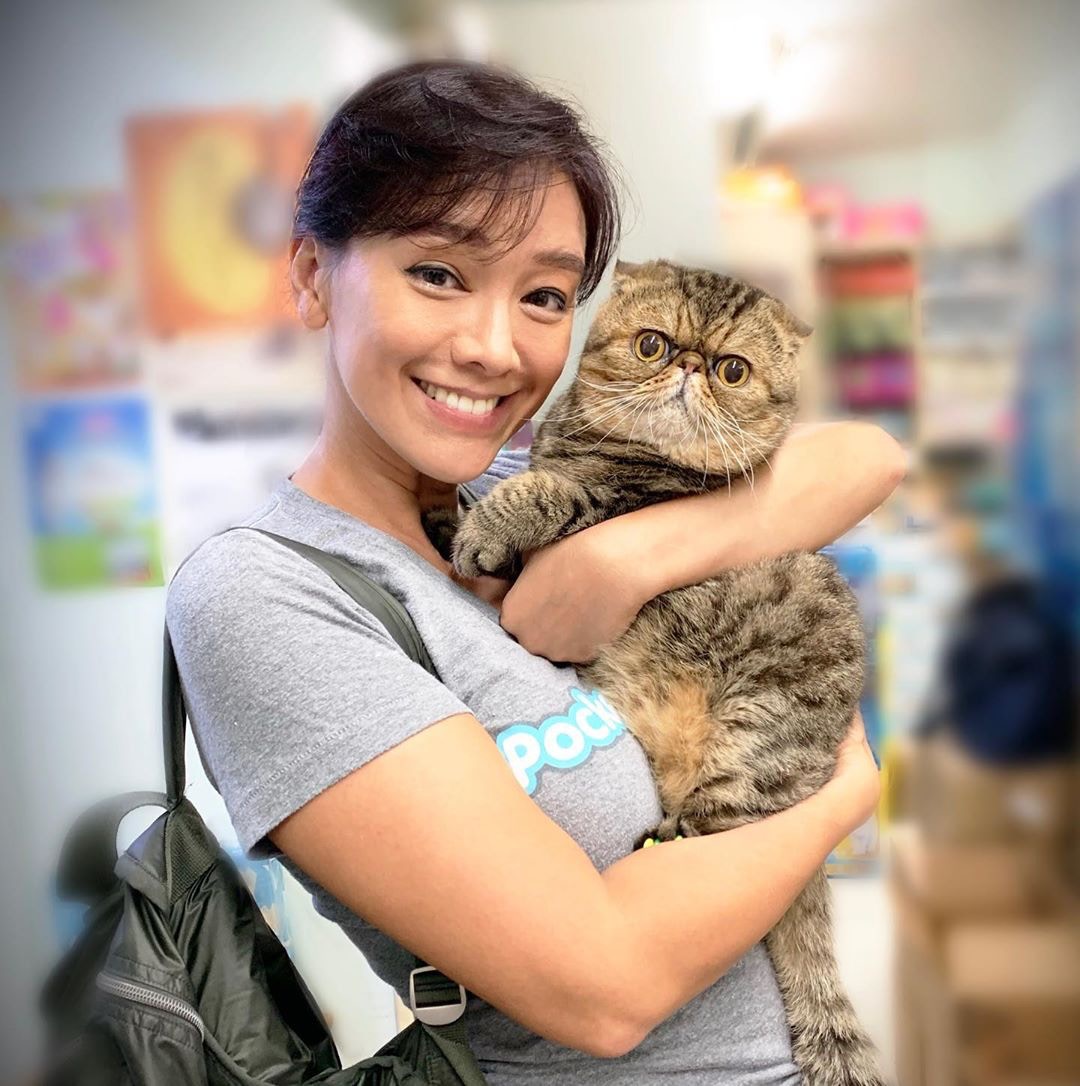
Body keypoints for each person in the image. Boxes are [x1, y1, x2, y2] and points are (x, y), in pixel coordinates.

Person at [167, 59, 902, 1085]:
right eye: (438, 274)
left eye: (545, 295)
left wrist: (622, 554)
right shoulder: (265, 596)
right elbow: (604, 989)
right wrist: (840, 800)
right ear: (310, 275)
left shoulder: (516, 485)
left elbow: (865, 457)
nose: (495, 348)